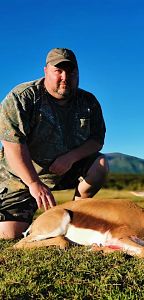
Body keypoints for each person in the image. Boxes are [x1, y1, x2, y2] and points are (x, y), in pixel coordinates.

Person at [0, 48, 108, 239]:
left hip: (63, 172)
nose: (65, 77)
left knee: (100, 165)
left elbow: (97, 140)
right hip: (21, 178)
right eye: (58, 70)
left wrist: (71, 157)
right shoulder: (23, 97)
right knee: (9, 234)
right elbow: (12, 144)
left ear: (78, 73)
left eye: (71, 71)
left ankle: (76, 214)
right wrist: (34, 183)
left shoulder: (88, 102)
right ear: (46, 71)